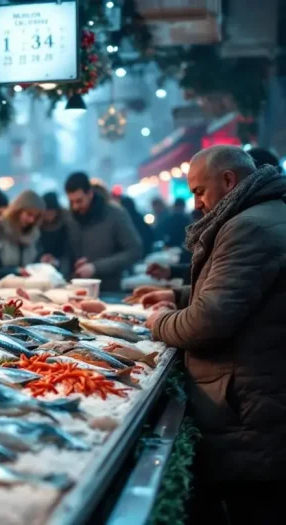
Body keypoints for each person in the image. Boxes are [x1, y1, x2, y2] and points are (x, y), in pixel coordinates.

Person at [142, 145, 286, 525]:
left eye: (199, 191)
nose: (197, 203)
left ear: (228, 180)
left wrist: (158, 322)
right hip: (260, 395)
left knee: (253, 509)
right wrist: (177, 295)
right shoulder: (265, 214)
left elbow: (209, 320)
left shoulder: (247, 226)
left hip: (250, 405)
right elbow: (249, 291)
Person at [64, 172, 142, 291]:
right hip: (76, 289)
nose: (75, 207)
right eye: (71, 201)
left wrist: (95, 267)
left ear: (90, 193)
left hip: (109, 290)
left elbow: (134, 251)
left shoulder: (116, 214)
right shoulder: (71, 217)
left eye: (79, 201)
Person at [0, 190, 45, 268]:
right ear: (18, 211)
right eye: (29, 214)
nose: (31, 220)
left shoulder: (34, 236)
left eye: (35, 217)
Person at [39, 192, 72, 275]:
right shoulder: (37, 227)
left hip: (62, 267)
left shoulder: (66, 225)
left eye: (51, 212)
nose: (48, 215)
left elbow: (69, 252)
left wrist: (57, 262)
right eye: (46, 212)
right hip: (41, 268)